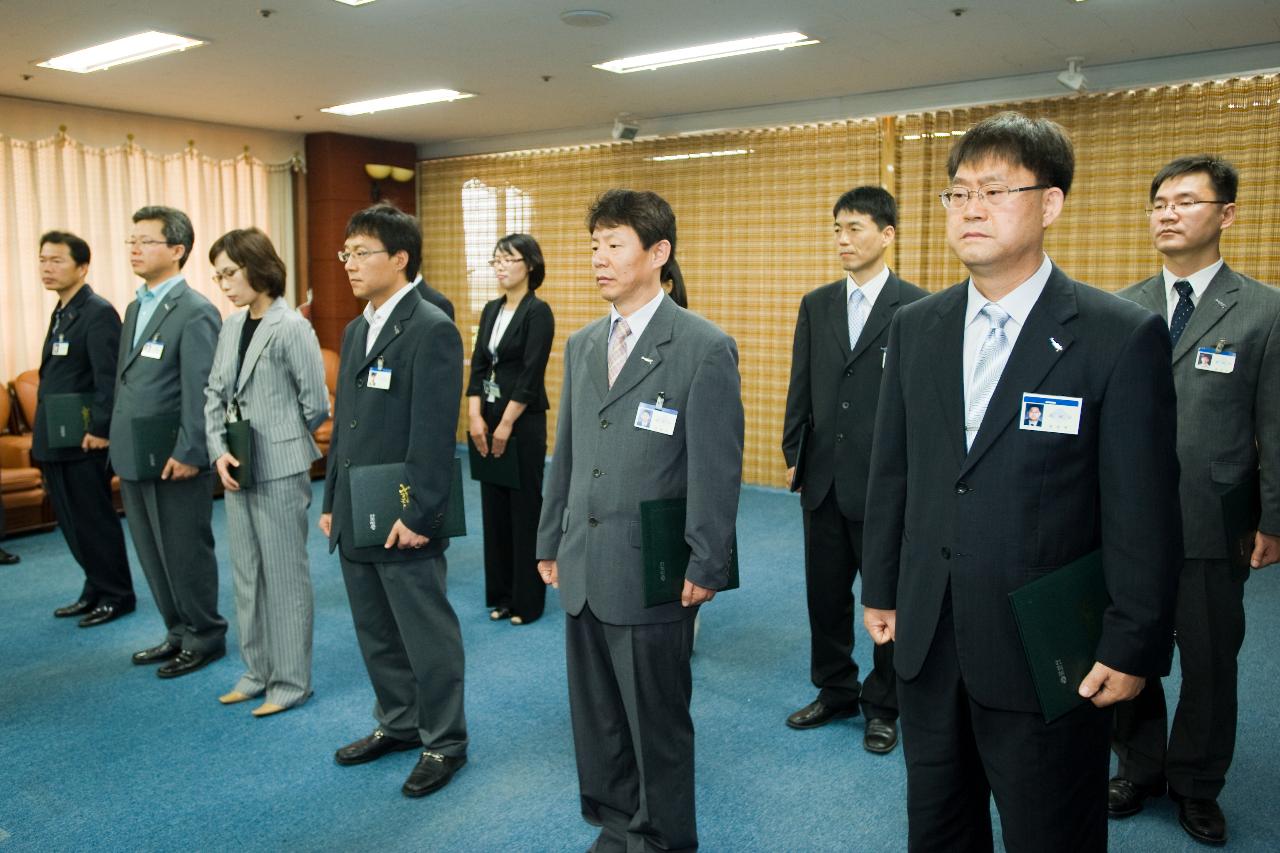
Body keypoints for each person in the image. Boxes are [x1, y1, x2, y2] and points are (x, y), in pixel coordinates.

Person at [860, 112, 1182, 852]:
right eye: (958, 192)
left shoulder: (1116, 334)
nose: (970, 207)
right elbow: (894, 470)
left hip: (1046, 647)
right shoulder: (917, 326)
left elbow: (1143, 510)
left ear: (1051, 203)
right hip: (930, 632)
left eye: (996, 190)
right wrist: (881, 584)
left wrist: (1135, 641)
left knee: (1052, 832)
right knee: (938, 824)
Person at [536, 189, 744, 852]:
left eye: (614, 243)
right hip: (583, 561)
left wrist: (707, 561)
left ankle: (662, 839)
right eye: (594, 243)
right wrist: (548, 537)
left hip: (651, 567)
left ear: (658, 253)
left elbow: (717, 470)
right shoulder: (581, 342)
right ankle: (617, 823)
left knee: (655, 720)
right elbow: (565, 449)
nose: (599, 257)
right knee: (597, 717)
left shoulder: (702, 347)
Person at [1110, 155, 1280, 845]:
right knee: (1132, 649)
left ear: (1226, 214)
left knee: (1210, 659)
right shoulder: (1123, 305)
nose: (1168, 214)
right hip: (1130, 522)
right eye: (1159, 203)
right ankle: (1138, 764)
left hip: (1215, 521)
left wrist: (1273, 516)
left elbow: (1275, 424)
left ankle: (1196, 782)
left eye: (1185, 201)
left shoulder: (1264, 309)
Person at [319, 203, 467, 798]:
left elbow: (432, 436)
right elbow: (346, 423)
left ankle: (445, 742)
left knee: (424, 632)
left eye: (362, 253)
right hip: (356, 504)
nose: (349, 264)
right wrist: (330, 498)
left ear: (400, 258)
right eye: (346, 253)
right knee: (375, 630)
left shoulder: (432, 326)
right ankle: (400, 724)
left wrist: (419, 513)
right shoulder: (358, 327)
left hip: (403, 509)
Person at [781, 186, 926, 753]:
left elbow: (922, 404)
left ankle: (884, 703)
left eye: (855, 228)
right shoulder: (816, 304)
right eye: (836, 229)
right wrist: (796, 453)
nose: (842, 239)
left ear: (887, 234)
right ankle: (834, 689)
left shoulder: (916, 307)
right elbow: (802, 387)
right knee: (826, 596)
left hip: (885, 486)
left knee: (886, 598)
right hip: (822, 480)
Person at [204, 228, 329, 717]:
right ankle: (256, 671)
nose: (225, 285)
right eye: (218, 276)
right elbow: (214, 392)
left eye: (230, 273)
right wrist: (219, 450)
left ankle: (291, 681)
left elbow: (315, 404)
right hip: (236, 463)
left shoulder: (292, 325)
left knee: (284, 577)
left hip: (279, 464)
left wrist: (279, 438)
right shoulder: (232, 326)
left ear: (258, 267)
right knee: (247, 574)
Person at [111, 205, 225, 678]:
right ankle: (176, 630)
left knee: (184, 549)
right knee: (152, 553)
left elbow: (203, 389)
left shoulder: (195, 311)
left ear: (177, 250)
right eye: (131, 240)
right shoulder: (137, 305)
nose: (134, 248)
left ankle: (204, 634)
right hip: (136, 452)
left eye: (146, 241)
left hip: (175, 455)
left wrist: (189, 451)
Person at [33, 231, 134, 626]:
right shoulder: (63, 311)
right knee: (72, 522)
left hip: (84, 439)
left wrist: (103, 428)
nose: (47, 267)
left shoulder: (96, 312)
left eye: (57, 260)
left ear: (82, 266)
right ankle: (95, 587)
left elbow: (108, 378)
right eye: (43, 259)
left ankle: (117, 594)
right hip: (58, 438)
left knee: (94, 520)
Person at [466, 234, 555, 625]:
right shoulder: (490, 310)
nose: (501, 267)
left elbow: (531, 373)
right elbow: (479, 366)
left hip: (522, 423)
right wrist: (473, 416)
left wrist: (504, 424)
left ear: (530, 266)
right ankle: (501, 596)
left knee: (524, 510)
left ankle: (528, 601)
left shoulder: (539, 312)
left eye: (509, 260)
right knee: (494, 509)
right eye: (496, 261)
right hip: (486, 420)